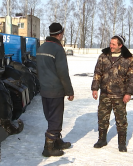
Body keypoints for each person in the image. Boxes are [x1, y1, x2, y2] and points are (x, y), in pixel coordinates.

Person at [91, 35, 133, 152]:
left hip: (120, 95)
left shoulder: (129, 58)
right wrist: (95, 88)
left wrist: (129, 93)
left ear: (120, 45)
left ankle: (122, 143)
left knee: (121, 120)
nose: (110, 46)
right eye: (110, 43)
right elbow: (97, 73)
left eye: (113, 44)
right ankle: (102, 139)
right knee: (102, 117)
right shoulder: (103, 56)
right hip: (105, 93)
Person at [36, 22, 74, 157]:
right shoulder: (58, 49)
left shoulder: (41, 47)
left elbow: (38, 70)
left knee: (50, 116)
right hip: (55, 90)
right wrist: (69, 91)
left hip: (44, 89)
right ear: (60, 34)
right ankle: (49, 147)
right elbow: (63, 73)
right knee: (56, 119)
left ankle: (57, 141)